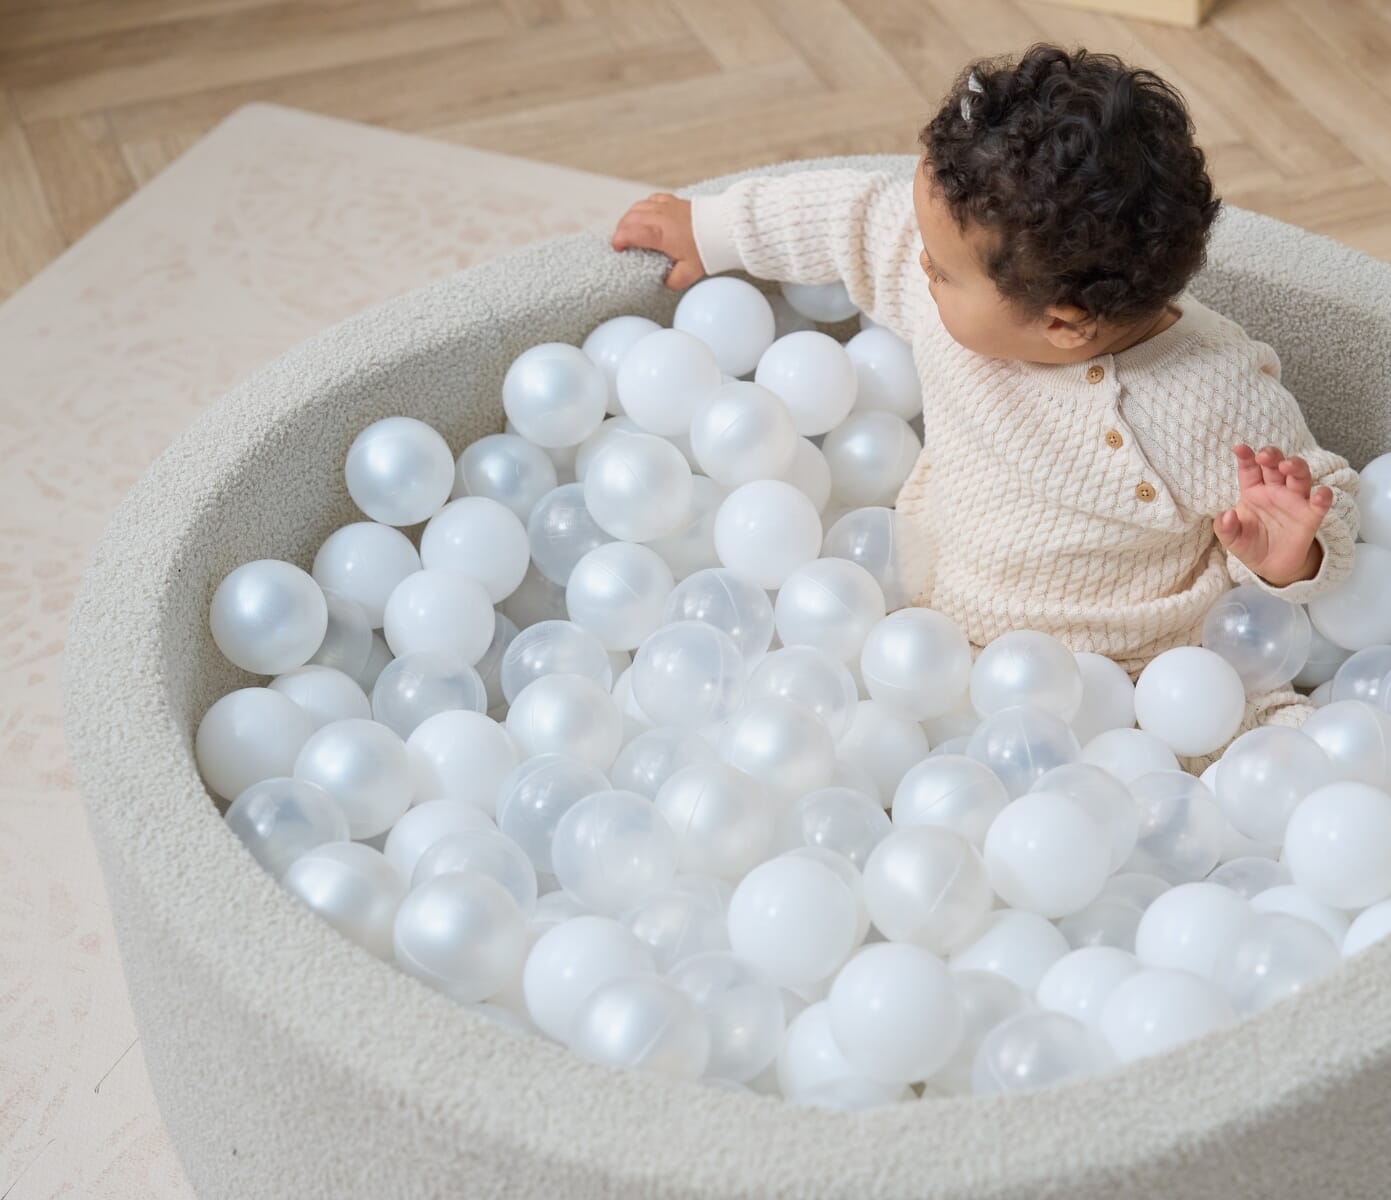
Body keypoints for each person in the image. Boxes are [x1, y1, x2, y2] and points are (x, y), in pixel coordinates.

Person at [609, 43, 1359, 774]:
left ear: (1062, 324)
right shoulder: (959, 283)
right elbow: (856, 221)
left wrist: (1293, 554)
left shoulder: (1209, 396)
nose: (918, 266)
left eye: (940, 271)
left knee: (1254, 751)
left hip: (1132, 678)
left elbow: (1323, 494)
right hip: (933, 632)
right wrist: (712, 229)